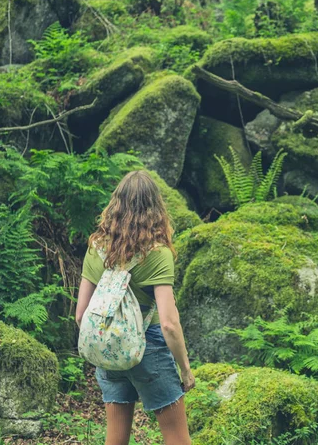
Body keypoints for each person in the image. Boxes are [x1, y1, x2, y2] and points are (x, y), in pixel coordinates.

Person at [75, 170, 195, 445]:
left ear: (115, 205)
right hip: (149, 349)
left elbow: (81, 314)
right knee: (178, 439)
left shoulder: (96, 247)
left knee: (115, 440)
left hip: (108, 347)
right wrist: (185, 369)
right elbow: (168, 323)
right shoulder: (158, 254)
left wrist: (110, 341)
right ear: (156, 209)